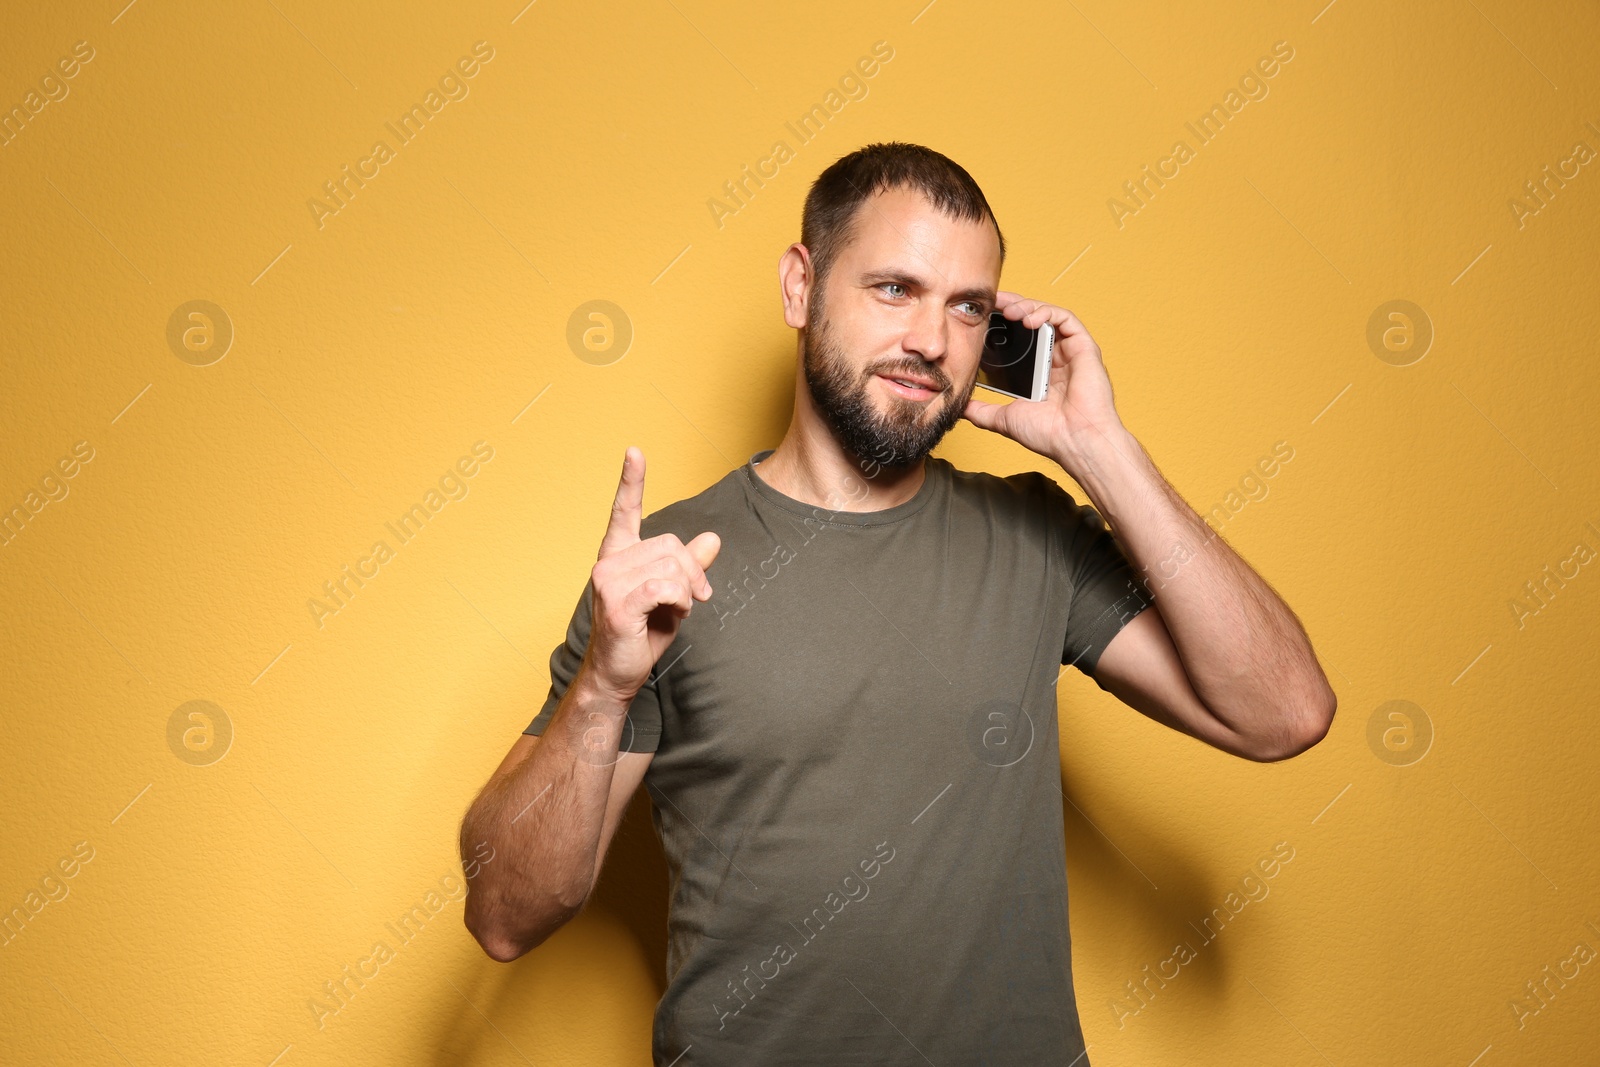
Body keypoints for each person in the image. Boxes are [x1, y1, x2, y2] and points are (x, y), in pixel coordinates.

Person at [459, 142, 1336, 1065]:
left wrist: (1099, 448)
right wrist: (602, 685)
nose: (932, 340)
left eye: (969, 308)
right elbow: (507, 916)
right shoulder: (661, 571)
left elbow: (1283, 713)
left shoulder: (1035, 536)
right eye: (894, 289)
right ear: (800, 286)